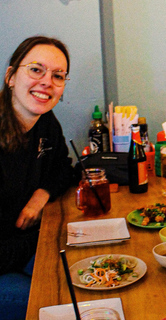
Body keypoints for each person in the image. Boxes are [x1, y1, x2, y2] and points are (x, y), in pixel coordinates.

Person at [0, 36, 75, 320]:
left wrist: (41, 195)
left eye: (58, 75)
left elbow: (62, 169)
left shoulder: (45, 122)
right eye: (36, 69)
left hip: (20, 248)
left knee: (90, 274)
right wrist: (44, 238)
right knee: (64, 301)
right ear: (10, 76)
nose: (47, 82)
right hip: (6, 261)